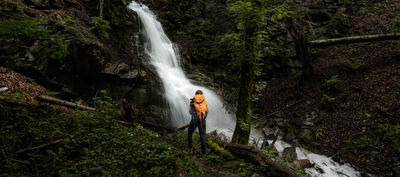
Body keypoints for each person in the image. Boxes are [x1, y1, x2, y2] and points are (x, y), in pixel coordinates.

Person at [188, 90, 208, 157]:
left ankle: (190, 149)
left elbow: (190, 112)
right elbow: (206, 111)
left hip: (194, 121)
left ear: (195, 94)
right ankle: (204, 154)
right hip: (202, 121)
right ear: (201, 94)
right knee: (202, 137)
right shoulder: (204, 101)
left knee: (189, 133)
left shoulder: (193, 101)